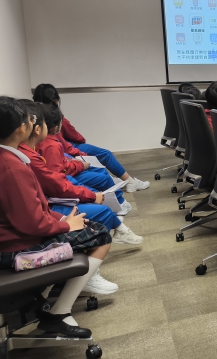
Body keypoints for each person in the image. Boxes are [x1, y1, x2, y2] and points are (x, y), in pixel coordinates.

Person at [0, 96, 114, 338]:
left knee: (85, 225)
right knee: (101, 235)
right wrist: (64, 226)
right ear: (21, 128)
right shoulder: (12, 167)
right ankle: (58, 314)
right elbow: (33, 223)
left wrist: (62, 220)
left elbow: (32, 209)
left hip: (14, 238)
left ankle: (44, 297)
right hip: (17, 249)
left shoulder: (10, 159)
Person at [18, 102, 142, 253]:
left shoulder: (28, 150)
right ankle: (96, 251)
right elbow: (57, 182)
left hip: (51, 197)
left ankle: (118, 219)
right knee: (101, 205)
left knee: (93, 184)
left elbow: (58, 169)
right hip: (50, 203)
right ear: (36, 128)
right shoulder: (36, 152)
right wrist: (82, 173)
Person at [32, 83, 150, 192]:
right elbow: (74, 137)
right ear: (54, 99)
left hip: (62, 152)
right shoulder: (54, 117)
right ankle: (130, 182)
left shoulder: (36, 115)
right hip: (67, 149)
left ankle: (116, 180)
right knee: (105, 154)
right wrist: (80, 154)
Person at [38, 104, 132, 217]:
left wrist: (76, 160)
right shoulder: (50, 145)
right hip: (67, 176)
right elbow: (59, 172)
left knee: (101, 171)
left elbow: (64, 155)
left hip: (69, 170)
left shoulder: (50, 141)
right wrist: (80, 165)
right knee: (103, 177)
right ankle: (120, 203)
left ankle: (118, 200)